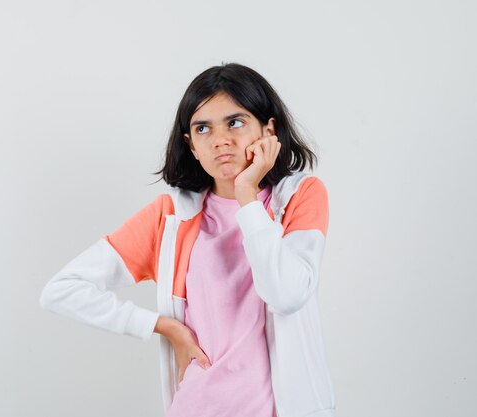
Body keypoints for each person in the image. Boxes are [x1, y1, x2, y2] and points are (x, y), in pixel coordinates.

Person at [40, 63, 336, 417]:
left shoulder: (298, 197)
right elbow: (62, 290)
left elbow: (286, 294)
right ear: (191, 145)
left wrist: (246, 195)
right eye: (202, 128)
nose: (220, 139)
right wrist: (161, 326)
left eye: (235, 122)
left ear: (268, 129)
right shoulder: (170, 218)